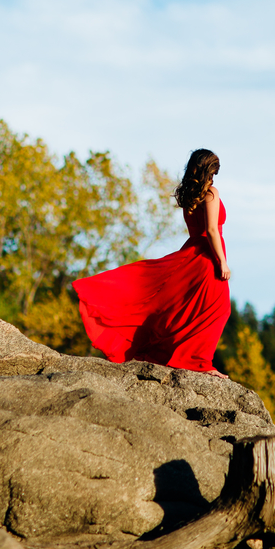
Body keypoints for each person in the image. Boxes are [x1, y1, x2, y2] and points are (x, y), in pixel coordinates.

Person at [72, 149, 232, 378]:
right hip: (207, 258)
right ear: (207, 170)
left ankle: (192, 359)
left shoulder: (190, 197)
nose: (214, 178)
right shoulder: (211, 194)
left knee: (187, 310)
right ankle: (199, 362)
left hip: (193, 254)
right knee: (216, 310)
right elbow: (212, 231)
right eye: (213, 172)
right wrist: (223, 263)